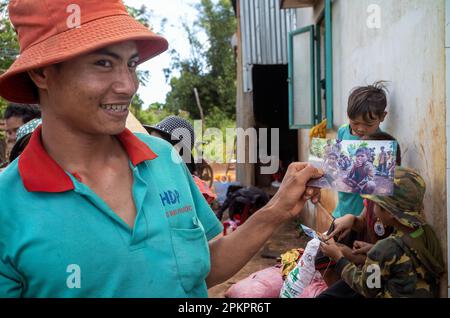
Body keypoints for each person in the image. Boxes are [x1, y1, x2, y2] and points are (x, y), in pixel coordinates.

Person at [0, 0, 322, 298]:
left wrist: (276, 211)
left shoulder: (164, 158)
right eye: (103, 63)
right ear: (42, 72)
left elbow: (203, 266)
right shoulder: (8, 207)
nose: (128, 85)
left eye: (131, 64)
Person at [319, 167, 445, 298]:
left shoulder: (386, 248)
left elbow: (366, 288)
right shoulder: (425, 232)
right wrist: (371, 250)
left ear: (389, 212)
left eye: (374, 204)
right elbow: (405, 261)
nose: (371, 208)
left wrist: (339, 258)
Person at [332, 81, 388, 218]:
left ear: (382, 117)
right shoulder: (342, 132)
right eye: (355, 122)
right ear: (348, 115)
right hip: (341, 209)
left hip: (364, 216)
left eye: (368, 124)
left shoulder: (382, 144)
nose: (361, 129)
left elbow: (382, 185)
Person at [145, 115, 216, 205]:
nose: (150, 147)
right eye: (150, 141)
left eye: (156, 143)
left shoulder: (190, 192)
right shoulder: (144, 175)